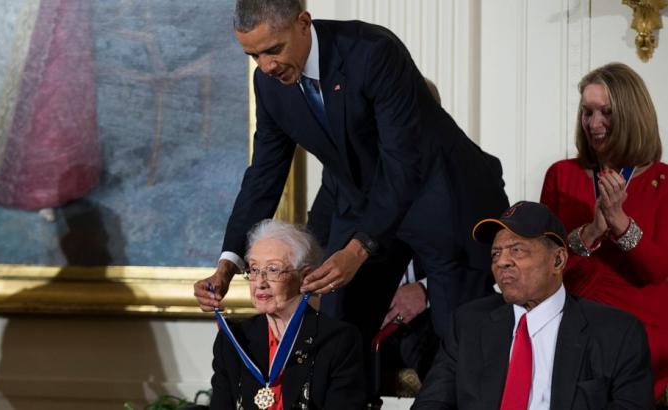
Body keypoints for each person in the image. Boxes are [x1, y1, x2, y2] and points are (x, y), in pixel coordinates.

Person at [194, 0, 509, 387]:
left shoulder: (372, 52)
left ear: (303, 23)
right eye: (253, 55)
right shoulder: (270, 85)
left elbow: (403, 163)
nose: (265, 65)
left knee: (455, 341)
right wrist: (228, 261)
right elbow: (263, 175)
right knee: (338, 334)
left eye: (273, 50)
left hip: (440, 194)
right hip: (367, 200)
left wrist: (358, 249)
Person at [412, 201, 653, 409]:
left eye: (517, 250)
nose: (502, 262)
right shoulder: (467, 324)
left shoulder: (618, 333)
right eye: (496, 254)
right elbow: (431, 403)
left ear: (558, 260)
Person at [540, 62, 668, 401]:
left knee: (610, 358)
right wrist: (591, 231)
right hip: (573, 312)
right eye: (587, 112)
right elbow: (545, 264)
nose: (594, 124)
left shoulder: (663, 182)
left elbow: (656, 271)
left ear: (630, 115)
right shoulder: (561, 175)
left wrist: (619, 221)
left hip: (641, 320)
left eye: (606, 112)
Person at [210, 219, 365, 409]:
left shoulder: (338, 340)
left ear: (305, 276)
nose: (260, 282)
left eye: (273, 270)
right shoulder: (233, 339)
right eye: (254, 270)